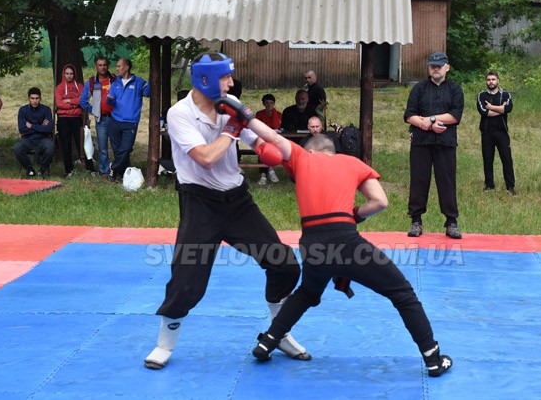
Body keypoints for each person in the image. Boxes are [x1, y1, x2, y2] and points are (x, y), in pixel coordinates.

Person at [217, 102, 452, 378]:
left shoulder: (303, 158)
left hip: (312, 243)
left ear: (313, 149)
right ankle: (433, 358)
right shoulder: (353, 163)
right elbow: (380, 202)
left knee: (307, 292)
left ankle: (267, 341)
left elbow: (272, 137)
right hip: (345, 240)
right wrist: (355, 215)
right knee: (402, 293)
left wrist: (242, 115)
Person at [144, 52, 310, 370]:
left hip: (237, 202)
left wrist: (266, 148)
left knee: (285, 265)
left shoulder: (229, 105)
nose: (231, 83)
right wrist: (233, 128)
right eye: (225, 77)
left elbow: (257, 138)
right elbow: (205, 157)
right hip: (199, 204)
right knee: (187, 282)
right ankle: (164, 343)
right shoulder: (179, 114)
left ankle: (278, 332)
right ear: (204, 79)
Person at [403, 52, 464, 239]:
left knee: (446, 181)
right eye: (432, 66)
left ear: (447, 67)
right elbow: (409, 115)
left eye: (439, 65)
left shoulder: (455, 89)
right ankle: (416, 220)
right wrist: (423, 124)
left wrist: (430, 119)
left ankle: (451, 222)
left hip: (445, 143)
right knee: (419, 180)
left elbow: (455, 116)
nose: (435, 68)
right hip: (421, 142)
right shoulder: (419, 89)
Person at [106, 58, 150, 181]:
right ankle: (126, 175)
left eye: (119, 66)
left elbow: (148, 92)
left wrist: (152, 79)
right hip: (115, 121)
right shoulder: (115, 83)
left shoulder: (139, 82)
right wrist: (109, 99)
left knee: (125, 149)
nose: (117, 68)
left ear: (126, 67)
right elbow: (112, 100)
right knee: (117, 150)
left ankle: (113, 169)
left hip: (130, 122)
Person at [476, 71, 516, 194]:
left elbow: (508, 108)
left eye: (493, 79)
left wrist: (491, 107)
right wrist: (500, 109)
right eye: (488, 79)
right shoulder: (481, 95)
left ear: (498, 80)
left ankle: (510, 186)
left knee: (507, 159)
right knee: (488, 159)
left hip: (502, 132)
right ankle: (489, 185)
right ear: (486, 81)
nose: (491, 82)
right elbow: (484, 112)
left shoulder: (505, 94)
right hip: (487, 132)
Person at [80, 57, 117, 181]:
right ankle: (104, 172)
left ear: (108, 66)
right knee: (103, 147)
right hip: (102, 120)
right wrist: (94, 111)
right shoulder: (92, 82)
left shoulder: (114, 79)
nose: (103, 67)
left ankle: (118, 170)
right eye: (100, 65)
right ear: (96, 66)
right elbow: (83, 101)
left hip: (116, 118)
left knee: (117, 146)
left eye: (105, 65)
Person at [55, 64, 94, 177]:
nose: (69, 76)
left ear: (74, 74)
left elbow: (83, 100)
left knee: (83, 143)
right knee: (66, 144)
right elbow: (59, 103)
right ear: (64, 74)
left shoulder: (80, 86)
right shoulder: (60, 88)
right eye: (67, 73)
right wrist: (74, 105)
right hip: (63, 119)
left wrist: (69, 101)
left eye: (71, 73)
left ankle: (90, 169)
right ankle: (69, 170)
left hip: (77, 118)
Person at [13, 87, 55, 177]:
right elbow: (22, 129)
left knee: (51, 147)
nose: (35, 101)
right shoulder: (23, 110)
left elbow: (49, 129)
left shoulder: (46, 109)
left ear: (40, 98)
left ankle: (42, 170)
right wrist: (41, 125)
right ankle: (29, 169)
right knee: (17, 148)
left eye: (37, 98)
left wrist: (32, 126)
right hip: (28, 139)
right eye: (32, 98)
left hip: (43, 138)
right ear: (29, 98)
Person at [255, 93, 282, 185]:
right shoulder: (259, 114)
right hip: (263, 139)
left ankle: (264, 175)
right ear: (263, 104)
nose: (269, 105)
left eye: (271, 103)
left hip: (274, 139)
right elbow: (258, 127)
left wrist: (273, 113)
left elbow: (276, 126)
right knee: (263, 148)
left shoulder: (278, 114)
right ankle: (269, 171)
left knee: (267, 148)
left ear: (274, 104)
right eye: (267, 103)